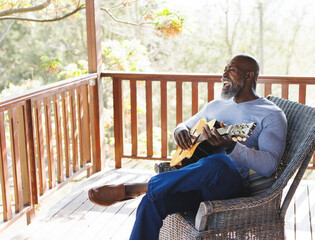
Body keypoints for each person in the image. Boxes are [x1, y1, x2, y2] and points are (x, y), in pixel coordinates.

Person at [88, 54, 287, 240]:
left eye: (231, 69)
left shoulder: (270, 114)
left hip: (230, 188)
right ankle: (149, 190)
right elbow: (185, 125)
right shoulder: (216, 105)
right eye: (224, 69)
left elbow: (270, 165)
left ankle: (141, 187)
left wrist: (232, 147)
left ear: (249, 75)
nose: (224, 74)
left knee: (220, 162)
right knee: (152, 201)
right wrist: (179, 131)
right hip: (195, 183)